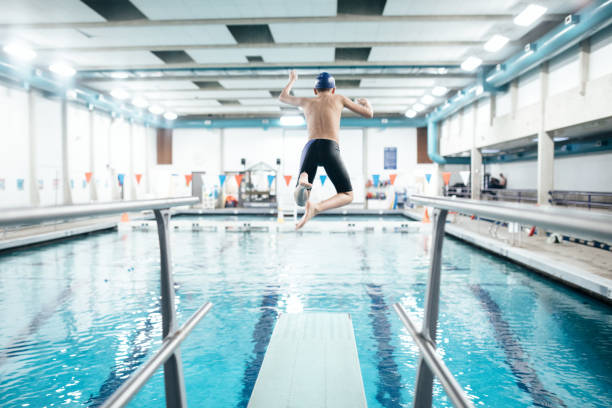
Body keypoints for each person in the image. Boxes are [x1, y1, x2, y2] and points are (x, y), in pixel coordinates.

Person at [279, 70, 373, 230]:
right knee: (347, 195)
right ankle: (317, 207)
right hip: (330, 147)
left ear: (315, 91)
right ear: (333, 89)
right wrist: (367, 103)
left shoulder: (307, 101)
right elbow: (369, 114)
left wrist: (292, 80)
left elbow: (283, 97)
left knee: (301, 201)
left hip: (310, 147)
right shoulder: (339, 98)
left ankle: (303, 183)